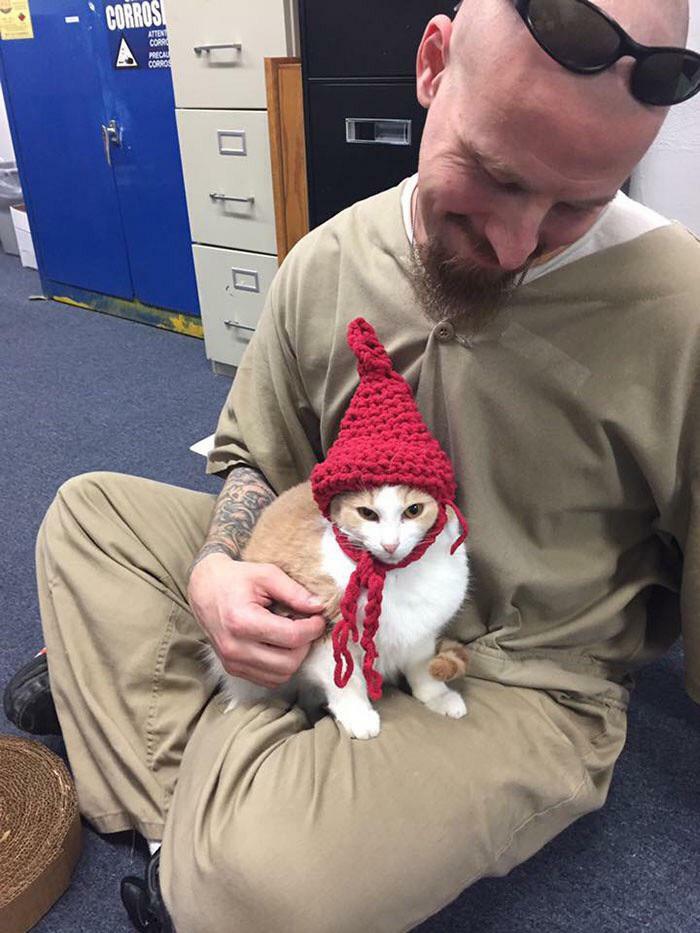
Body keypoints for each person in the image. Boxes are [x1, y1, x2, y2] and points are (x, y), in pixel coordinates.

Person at [5, 0, 700, 930]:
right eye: (490, 176)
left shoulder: (680, 310)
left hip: (508, 671)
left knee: (267, 890)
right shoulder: (328, 258)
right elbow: (259, 456)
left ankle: (170, 777)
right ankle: (216, 816)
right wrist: (216, 570)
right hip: (325, 580)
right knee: (90, 514)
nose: (513, 244)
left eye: (576, 203)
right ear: (431, 65)